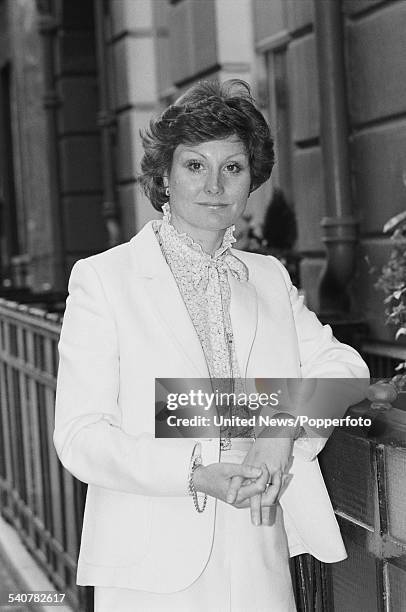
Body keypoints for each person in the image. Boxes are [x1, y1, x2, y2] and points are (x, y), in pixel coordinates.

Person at [54, 79, 369, 611]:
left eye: (233, 168)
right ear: (164, 177)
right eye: (195, 165)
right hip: (150, 560)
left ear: (252, 181)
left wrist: (278, 427)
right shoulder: (104, 279)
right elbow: (80, 436)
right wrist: (195, 473)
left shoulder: (268, 277)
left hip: (257, 551)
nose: (214, 185)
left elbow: (345, 367)